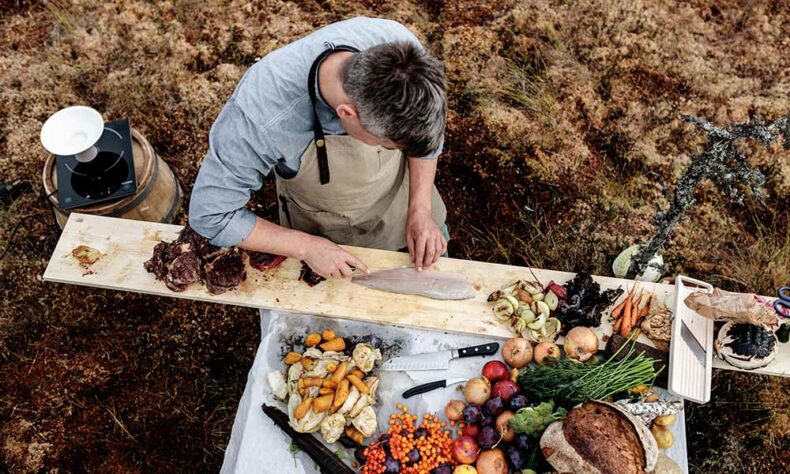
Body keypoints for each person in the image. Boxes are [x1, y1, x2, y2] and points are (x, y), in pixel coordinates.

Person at [189, 17, 448, 279]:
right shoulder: (260, 115)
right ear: (346, 113)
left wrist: (420, 211)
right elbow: (211, 214)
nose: (392, 149)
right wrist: (307, 248)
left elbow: (427, 135)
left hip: (399, 208)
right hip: (323, 235)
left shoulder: (402, 52)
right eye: (387, 145)